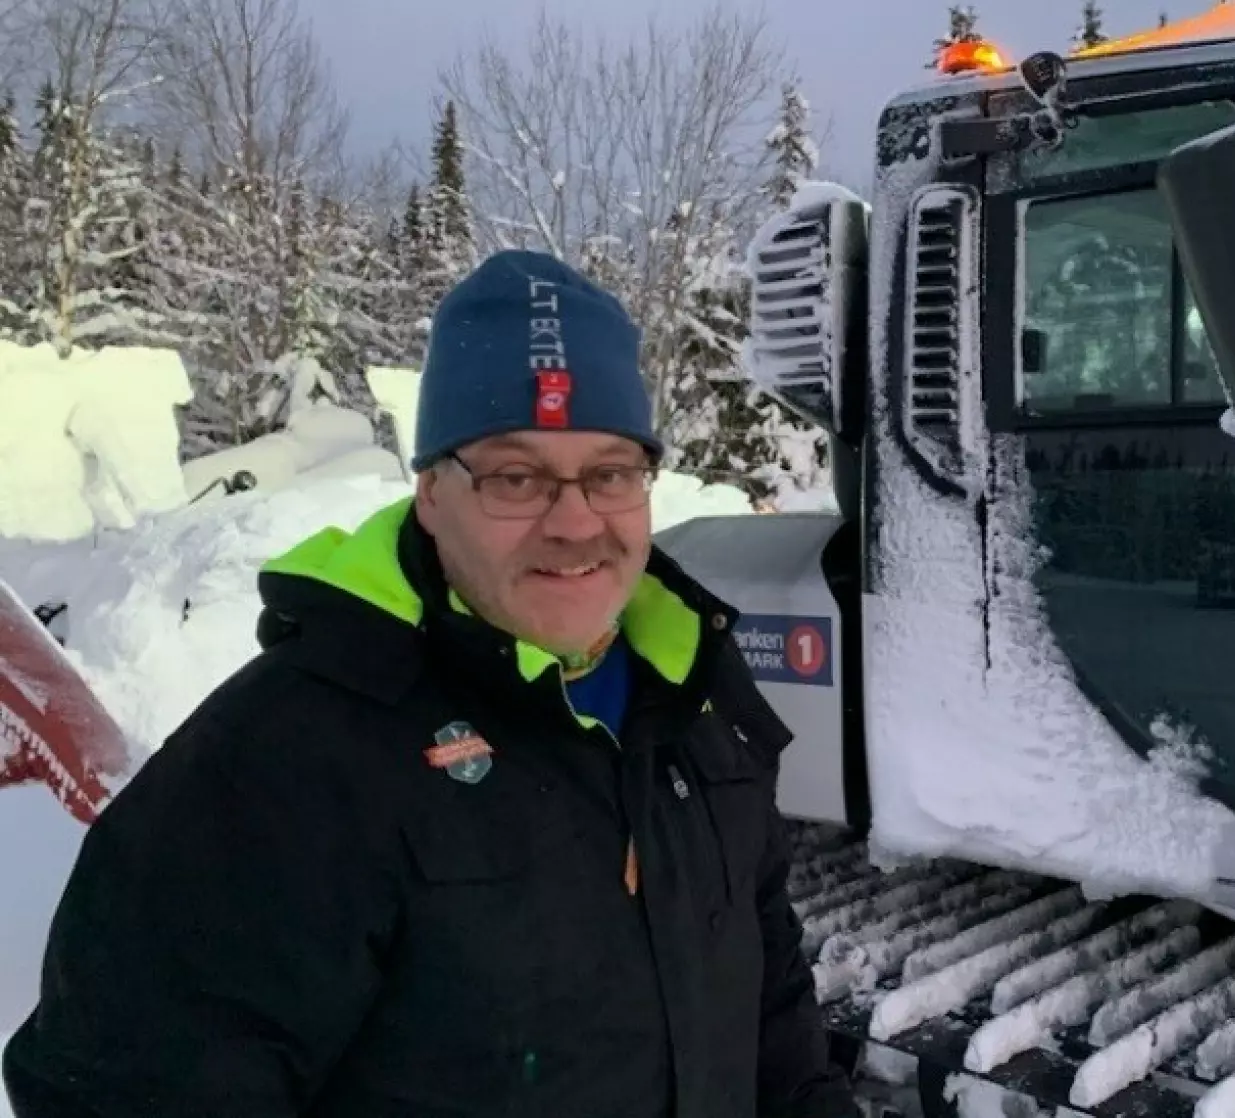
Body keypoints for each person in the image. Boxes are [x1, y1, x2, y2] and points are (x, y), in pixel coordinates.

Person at [2, 250, 860, 1118]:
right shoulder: (285, 758)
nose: (575, 523)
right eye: (515, 477)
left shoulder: (694, 699)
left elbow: (772, 1018)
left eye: (609, 473)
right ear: (431, 494)